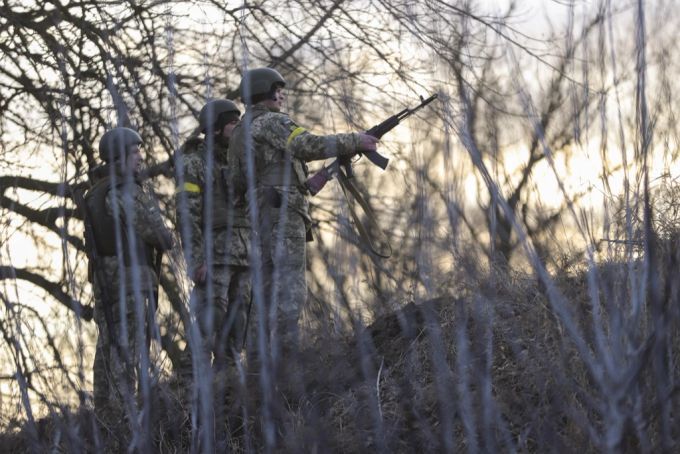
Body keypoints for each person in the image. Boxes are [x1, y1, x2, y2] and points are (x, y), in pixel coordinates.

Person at [229, 67, 378, 363]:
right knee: (290, 290)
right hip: (281, 215)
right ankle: (287, 363)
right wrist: (356, 140)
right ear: (265, 92)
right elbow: (309, 145)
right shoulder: (271, 121)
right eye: (278, 89)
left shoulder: (242, 131)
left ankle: (258, 365)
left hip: (261, 214)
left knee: (265, 291)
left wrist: (302, 184)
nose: (282, 95)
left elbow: (241, 183)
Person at [84, 126, 173, 445]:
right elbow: (158, 234)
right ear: (118, 157)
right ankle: (124, 419)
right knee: (130, 347)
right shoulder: (125, 191)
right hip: (130, 280)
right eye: (134, 152)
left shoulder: (96, 192)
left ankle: (105, 416)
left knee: (106, 349)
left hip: (105, 283)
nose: (140, 157)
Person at [175, 99, 251, 449]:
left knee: (236, 336)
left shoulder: (241, 161)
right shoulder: (193, 164)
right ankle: (188, 403)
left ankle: (229, 404)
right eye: (234, 124)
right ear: (218, 128)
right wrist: (196, 260)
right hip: (214, 259)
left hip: (244, 258)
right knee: (206, 330)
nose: (240, 128)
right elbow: (187, 215)